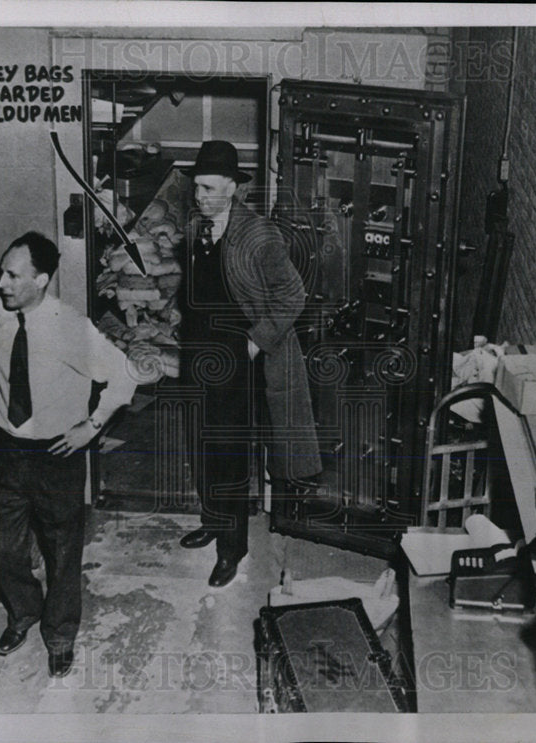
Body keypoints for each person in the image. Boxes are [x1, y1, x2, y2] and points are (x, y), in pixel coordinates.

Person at [0, 231, 136, 677]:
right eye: (2, 271)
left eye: (12, 275)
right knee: (0, 546)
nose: (0, 282)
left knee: (63, 551)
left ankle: (60, 634)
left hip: (57, 453)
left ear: (41, 280)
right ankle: (23, 612)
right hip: (7, 449)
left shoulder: (70, 327)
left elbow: (124, 376)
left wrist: (92, 426)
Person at [178, 141, 321, 588]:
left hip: (238, 361)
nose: (198, 196)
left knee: (229, 454)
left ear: (232, 188)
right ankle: (212, 519)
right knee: (200, 443)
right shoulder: (194, 229)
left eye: (207, 188)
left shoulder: (259, 235)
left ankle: (231, 547)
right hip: (198, 353)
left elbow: (292, 295)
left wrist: (256, 344)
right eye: (196, 187)